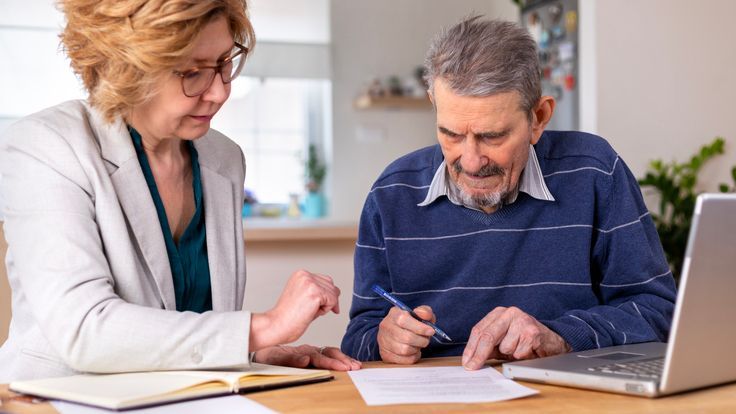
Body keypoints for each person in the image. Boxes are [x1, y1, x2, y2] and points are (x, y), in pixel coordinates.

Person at [0, 0, 360, 382]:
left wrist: (253, 355)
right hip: (54, 399)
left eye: (224, 63)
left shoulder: (223, 158)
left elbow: (185, 326)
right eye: (193, 72)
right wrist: (263, 327)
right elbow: (85, 329)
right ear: (128, 68)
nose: (220, 92)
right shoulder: (43, 147)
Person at [341, 17, 677, 370]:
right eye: (451, 134)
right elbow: (359, 335)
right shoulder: (391, 193)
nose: (471, 162)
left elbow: (659, 313)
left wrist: (559, 337)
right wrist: (384, 339)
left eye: (492, 136)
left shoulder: (595, 172)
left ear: (539, 118)